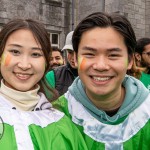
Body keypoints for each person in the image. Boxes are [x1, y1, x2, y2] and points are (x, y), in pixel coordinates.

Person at [53, 12, 150, 149]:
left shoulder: (146, 112)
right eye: (89, 54)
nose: (101, 66)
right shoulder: (55, 115)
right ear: (74, 59)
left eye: (113, 55)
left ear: (130, 61)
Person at [0, 19, 88, 150]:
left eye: (35, 54)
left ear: (46, 62)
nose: (24, 65)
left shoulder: (62, 124)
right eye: (15, 52)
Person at [46, 31, 78, 96]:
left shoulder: (95, 76)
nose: (74, 57)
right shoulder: (52, 75)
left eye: (77, 52)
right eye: (70, 52)